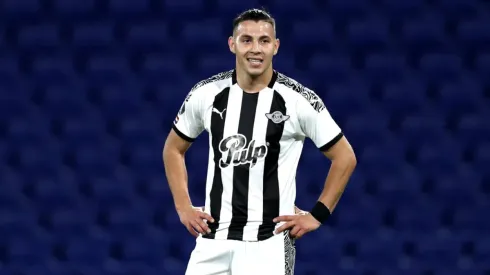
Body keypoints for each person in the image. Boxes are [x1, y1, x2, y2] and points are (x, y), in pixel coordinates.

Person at [163, 8, 357, 275]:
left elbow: (344, 157)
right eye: (247, 40)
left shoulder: (298, 100)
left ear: (275, 47)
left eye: (264, 41)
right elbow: (173, 148)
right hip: (213, 240)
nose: (255, 49)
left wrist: (317, 215)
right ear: (232, 45)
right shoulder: (207, 94)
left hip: (269, 243)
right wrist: (183, 207)